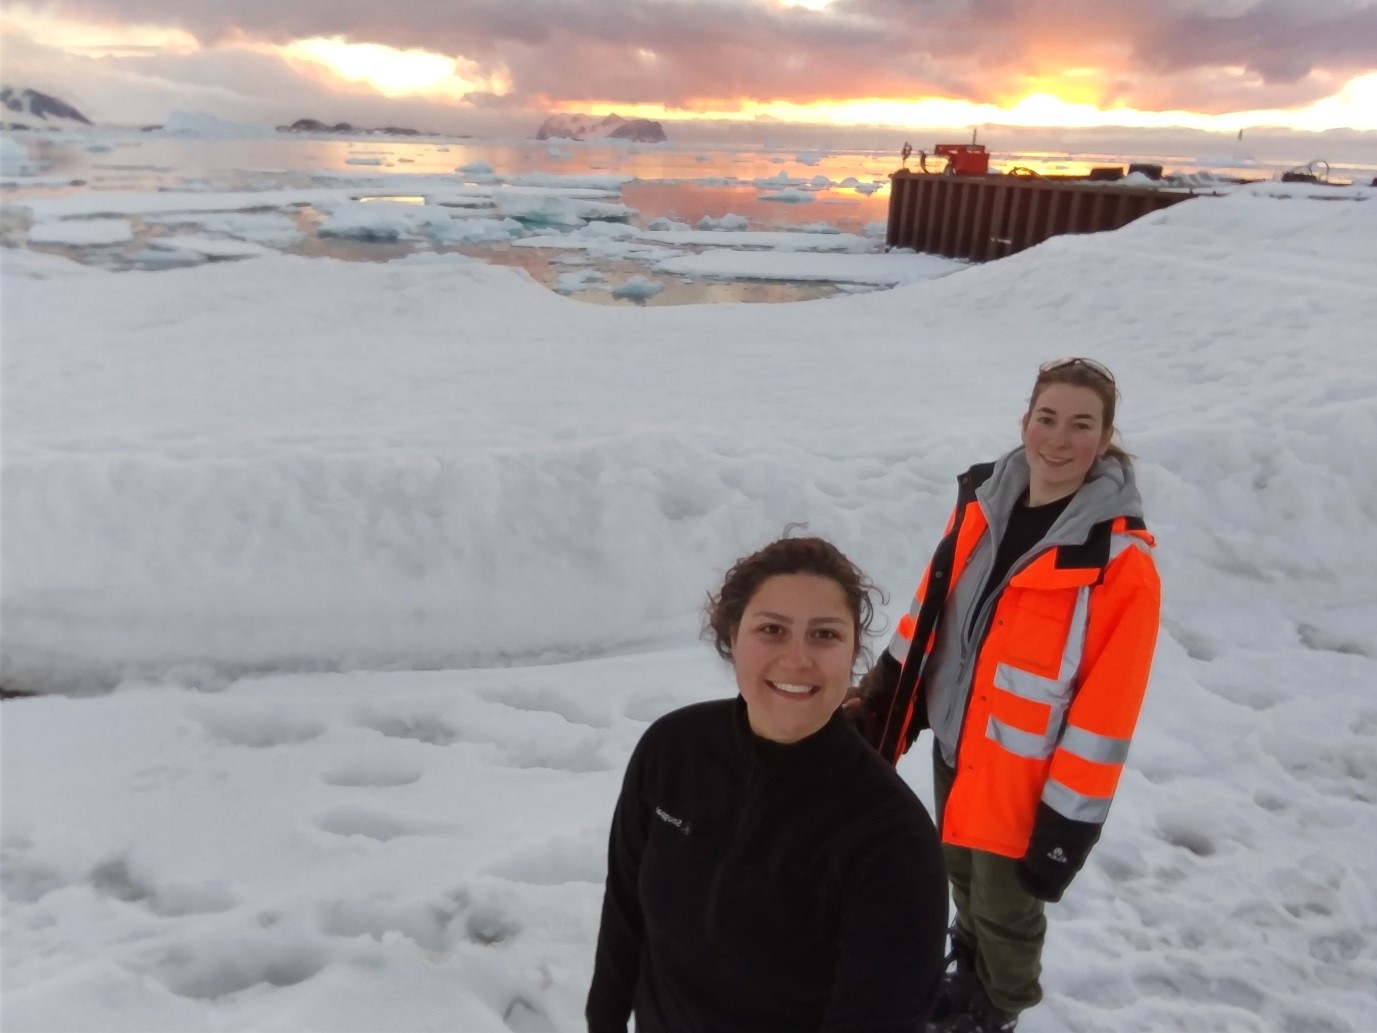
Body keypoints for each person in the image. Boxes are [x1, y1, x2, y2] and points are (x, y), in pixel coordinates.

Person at [854, 358, 1162, 1033]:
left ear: (1104, 437)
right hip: (956, 741)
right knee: (960, 874)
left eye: (1081, 423)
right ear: (1024, 421)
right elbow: (929, 613)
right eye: (1045, 417)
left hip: (1025, 773)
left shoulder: (1119, 565)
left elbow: (1104, 712)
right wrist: (884, 701)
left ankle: (996, 1008)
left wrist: (1066, 824)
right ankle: (967, 974)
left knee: (1008, 906)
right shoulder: (982, 504)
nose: (1058, 438)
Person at [587, 535, 949, 1033]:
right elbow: (625, 910)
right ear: (732, 637)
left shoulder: (892, 840)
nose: (797, 659)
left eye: (824, 635)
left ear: (852, 654)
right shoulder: (673, 749)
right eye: (772, 630)